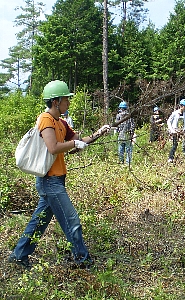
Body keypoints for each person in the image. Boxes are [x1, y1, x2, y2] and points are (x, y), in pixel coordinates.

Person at [8, 80, 110, 270]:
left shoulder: (61, 123)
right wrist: (73, 145)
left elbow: (79, 140)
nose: (68, 103)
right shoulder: (46, 120)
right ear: (56, 102)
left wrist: (99, 133)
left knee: (39, 222)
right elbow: (53, 147)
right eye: (66, 100)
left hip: (57, 180)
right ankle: (82, 260)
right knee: (72, 220)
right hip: (49, 181)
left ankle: (19, 255)